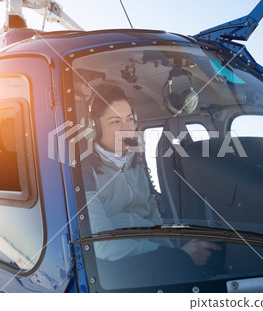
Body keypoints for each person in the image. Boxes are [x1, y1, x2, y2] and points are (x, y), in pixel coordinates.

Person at [81, 85, 221, 287]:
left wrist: (173, 249)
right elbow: (102, 245)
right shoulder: (85, 171)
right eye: (115, 122)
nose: (127, 128)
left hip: (150, 251)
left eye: (129, 119)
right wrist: (174, 255)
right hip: (112, 264)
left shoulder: (136, 164)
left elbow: (153, 218)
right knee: (180, 264)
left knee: (215, 248)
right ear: (95, 127)